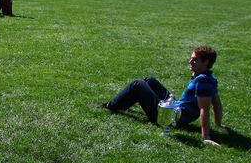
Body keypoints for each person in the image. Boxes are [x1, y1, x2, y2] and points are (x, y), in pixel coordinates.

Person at [96, 46, 226, 145]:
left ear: (206, 62)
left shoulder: (202, 80)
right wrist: (218, 124)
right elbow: (217, 104)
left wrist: (206, 137)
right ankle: (123, 103)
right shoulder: (210, 78)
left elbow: (205, 108)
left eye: (195, 59)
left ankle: (110, 106)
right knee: (149, 79)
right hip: (177, 108)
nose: (190, 61)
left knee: (137, 84)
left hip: (172, 117)